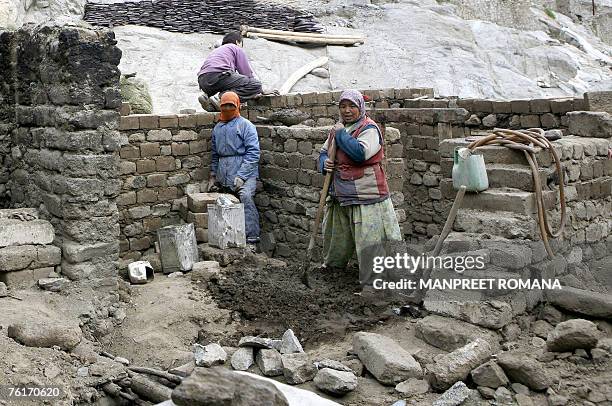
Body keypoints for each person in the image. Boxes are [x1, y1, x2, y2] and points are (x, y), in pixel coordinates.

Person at [318, 89, 402, 277]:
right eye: (343, 106)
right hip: (340, 195)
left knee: (370, 240)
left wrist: (340, 135)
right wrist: (325, 162)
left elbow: (360, 154)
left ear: (360, 107)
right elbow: (324, 152)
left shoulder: (369, 129)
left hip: (366, 195)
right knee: (337, 239)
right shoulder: (338, 128)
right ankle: (333, 269)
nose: (347, 110)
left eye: (352, 106)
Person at [208, 92, 261, 244]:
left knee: (245, 197)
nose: (228, 108)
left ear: (237, 106)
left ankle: (252, 238)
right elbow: (215, 155)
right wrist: (213, 176)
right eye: (225, 106)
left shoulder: (245, 125)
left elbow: (253, 153)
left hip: (245, 173)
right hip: (224, 174)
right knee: (224, 202)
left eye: (231, 105)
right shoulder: (218, 128)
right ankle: (229, 238)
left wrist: (242, 176)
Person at [197, 31, 263, 111]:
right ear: (237, 42)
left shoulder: (218, 51)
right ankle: (221, 99)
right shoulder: (235, 48)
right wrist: (257, 91)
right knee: (255, 84)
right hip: (218, 76)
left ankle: (207, 99)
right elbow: (247, 73)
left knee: (230, 82)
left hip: (203, 80)